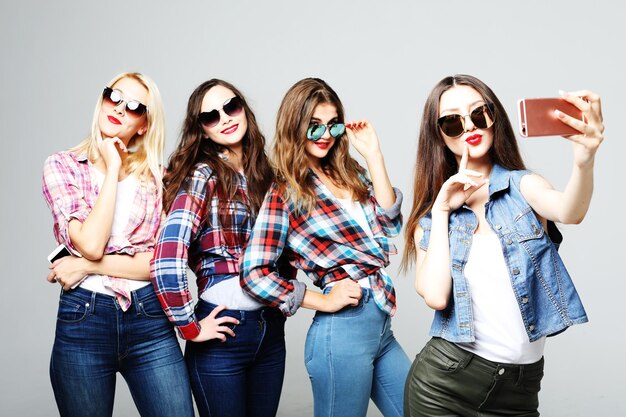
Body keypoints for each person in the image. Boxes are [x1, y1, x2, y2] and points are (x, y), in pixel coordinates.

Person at [401, 74, 604, 416]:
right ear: (440, 136)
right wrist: (441, 208)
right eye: (452, 121)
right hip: (444, 386)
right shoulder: (432, 221)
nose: (469, 126)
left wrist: (584, 159)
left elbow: (571, 211)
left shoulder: (522, 187)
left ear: (495, 118)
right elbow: (435, 296)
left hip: (520, 389)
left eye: (479, 113)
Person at [241, 77, 410, 417]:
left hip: (379, 324)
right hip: (341, 333)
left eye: (333, 125)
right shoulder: (286, 192)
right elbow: (253, 273)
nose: (326, 136)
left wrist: (374, 155)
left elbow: (391, 224)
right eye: (314, 127)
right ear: (295, 128)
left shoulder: (351, 172)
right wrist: (319, 299)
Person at [42, 72, 194, 417]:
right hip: (84, 319)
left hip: (149, 319)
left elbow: (158, 263)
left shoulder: (160, 177)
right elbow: (91, 243)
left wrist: (86, 265)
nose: (120, 108)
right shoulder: (63, 166)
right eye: (114, 96)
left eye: (135, 106)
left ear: (144, 125)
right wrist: (112, 169)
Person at [150, 79, 284, 417]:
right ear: (202, 130)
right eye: (211, 116)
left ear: (244, 108)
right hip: (224, 336)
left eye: (231, 106)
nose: (225, 118)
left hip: (270, 332)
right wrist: (189, 327)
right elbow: (167, 258)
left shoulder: (266, 175)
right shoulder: (203, 174)